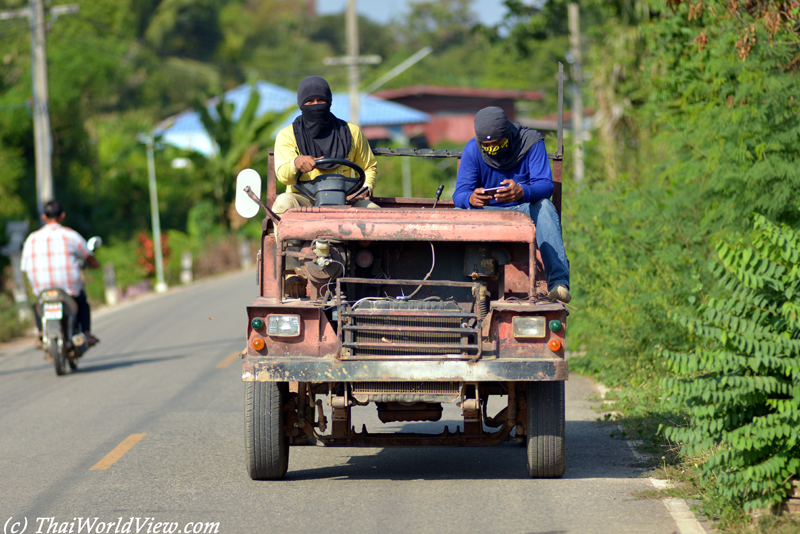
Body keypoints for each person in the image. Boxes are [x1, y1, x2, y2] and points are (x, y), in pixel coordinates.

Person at [453, 106, 571, 304]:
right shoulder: (472, 150)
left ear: (508, 133)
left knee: (544, 206)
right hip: (485, 212)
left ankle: (558, 283)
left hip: (522, 209)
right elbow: (460, 194)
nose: (493, 149)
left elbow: (545, 184)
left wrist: (522, 191)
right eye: (487, 146)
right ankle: (454, 284)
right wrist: (471, 199)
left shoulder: (531, 142)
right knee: (456, 214)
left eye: (498, 144)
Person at [273, 76, 378, 214]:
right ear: (301, 104)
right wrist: (296, 163)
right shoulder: (287, 135)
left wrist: (365, 189)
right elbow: (283, 176)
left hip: (346, 199)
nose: (316, 105)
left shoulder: (352, 132)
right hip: (305, 198)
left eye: (321, 100)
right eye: (310, 101)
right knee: (282, 203)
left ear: (329, 102)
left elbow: (368, 167)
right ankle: (286, 236)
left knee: (375, 213)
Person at [21, 200, 101, 347]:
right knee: (82, 302)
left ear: (44, 217)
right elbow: (88, 256)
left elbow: (25, 267)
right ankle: (87, 334)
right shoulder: (70, 235)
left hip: (42, 289)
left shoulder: (32, 238)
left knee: (37, 304)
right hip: (68, 289)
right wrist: (95, 264)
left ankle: (41, 334)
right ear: (62, 216)